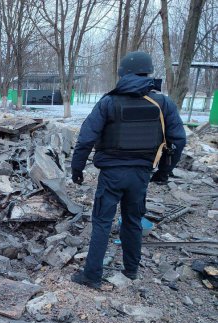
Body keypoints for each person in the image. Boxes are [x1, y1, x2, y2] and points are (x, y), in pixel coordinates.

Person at [70, 51, 186, 289]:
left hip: (111, 174)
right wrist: (164, 171)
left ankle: (92, 276)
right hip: (141, 174)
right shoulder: (163, 103)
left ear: (122, 74)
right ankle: (131, 270)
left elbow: (85, 139)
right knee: (133, 220)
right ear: (148, 73)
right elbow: (178, 141)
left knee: (102, 222)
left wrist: (77, 169)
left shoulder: (108, 102)